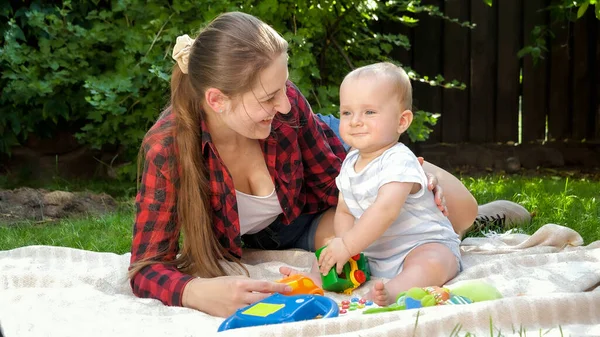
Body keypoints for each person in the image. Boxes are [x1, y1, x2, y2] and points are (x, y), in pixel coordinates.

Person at [128, 11, 481, 318]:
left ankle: (447, 206)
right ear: (217, 101)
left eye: (285, 87)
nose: (286, 105)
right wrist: (196, 292)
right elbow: (146, 265)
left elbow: (336, 184)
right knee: (358, 249)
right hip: (283, 228)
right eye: (269, 97)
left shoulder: (286, 107)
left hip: (331, 169)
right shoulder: (168, 148)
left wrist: (396, 177)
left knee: (461, 212)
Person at [312, 62, 461, 306]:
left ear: (402, 121)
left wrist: (349, 244)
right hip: (375, 251)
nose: (355, 121)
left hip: (419, 244)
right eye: (347, 113)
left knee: (432, 261)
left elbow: (386, 209)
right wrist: (345, 246)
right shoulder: (349, 162)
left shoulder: (399, 159)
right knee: (328, 251)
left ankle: (395, 291)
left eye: (369, 112)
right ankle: (310, 281)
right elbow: (344, 210)